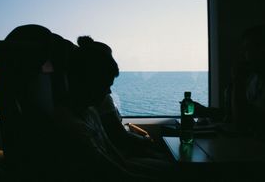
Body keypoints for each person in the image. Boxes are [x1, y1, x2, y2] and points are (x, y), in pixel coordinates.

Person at [55, 35, 176, 181]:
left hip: (117, 167)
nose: (109, 92)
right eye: (105, 85)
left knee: (173, 169)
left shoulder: (91, 112)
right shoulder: (70, 124)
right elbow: (117, 174)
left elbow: (118, 160)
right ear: (87, 82)